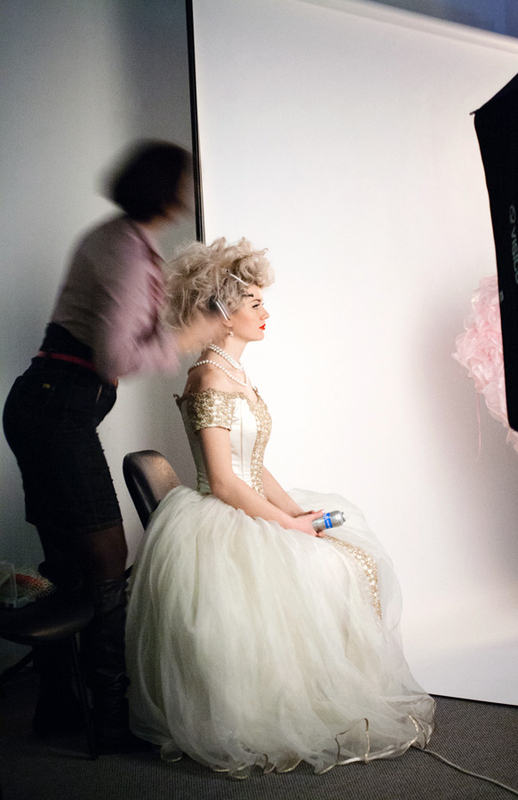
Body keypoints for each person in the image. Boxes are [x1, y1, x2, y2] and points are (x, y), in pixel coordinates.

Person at [125, 237, 435, 777]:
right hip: (223, 515)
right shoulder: (208, 377)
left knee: (345, 551)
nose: (265, 312)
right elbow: (225, 481)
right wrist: (287, 525)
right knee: (319, 570)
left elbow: (255, 464)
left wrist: (299, 515)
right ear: (224, 314)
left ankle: (322, 691)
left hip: (250, 503)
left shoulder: (235, 373)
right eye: (254, 303)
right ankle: (282, 706)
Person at [2, 141, 222, 753]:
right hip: (58, 410)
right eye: (183, 182)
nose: (188, 192)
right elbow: (116, 356)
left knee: (68, 563)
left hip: (47, 405)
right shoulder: (124, 249)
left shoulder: (123, 240)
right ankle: (111, 720)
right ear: (167, 190)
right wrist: (189, 336)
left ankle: (59, 706)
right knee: (106, 560)